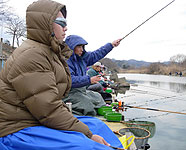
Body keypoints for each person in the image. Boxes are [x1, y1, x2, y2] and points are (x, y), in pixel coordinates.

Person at [0, 0, 122, 149]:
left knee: (97, 124)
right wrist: (89, 135)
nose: (66, 27)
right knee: (86, 145)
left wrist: (111, 45)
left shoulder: (50, 52)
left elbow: (48, 104)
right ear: (45, 24)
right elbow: (48, 110)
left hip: (37, 118)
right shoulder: (32, 56)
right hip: (17, 128)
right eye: (61, 22)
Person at [63, 35, 121, 116]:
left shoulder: (82, 58)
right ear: (71, 47)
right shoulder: (66, 61)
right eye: (79, 46)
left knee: (97, 97)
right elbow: (70, 80)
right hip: (68, 94)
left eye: (82, 46)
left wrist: (111, 45)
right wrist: (89, 80)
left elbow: (97, 54)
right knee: (87, 106)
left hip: (81, 91)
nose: (82, 49)